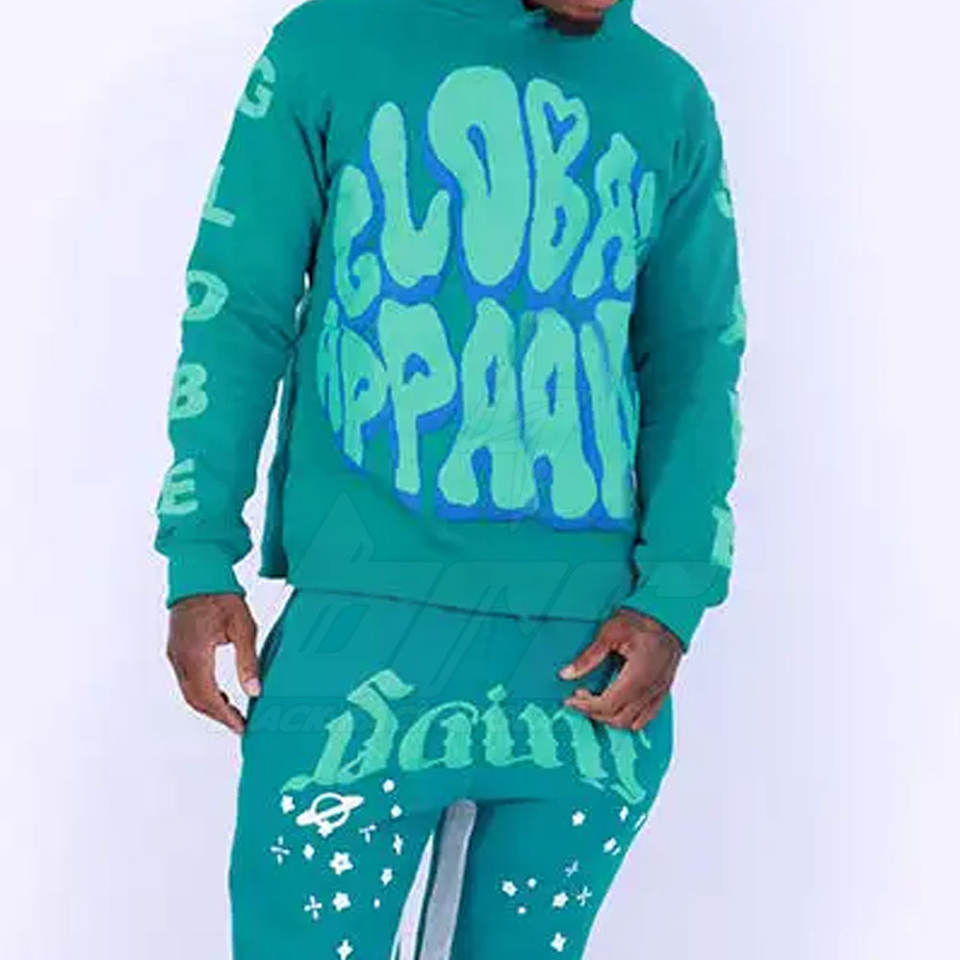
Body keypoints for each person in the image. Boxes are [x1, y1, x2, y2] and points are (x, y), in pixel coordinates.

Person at [155, 0, 745, 956]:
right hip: (355, 648)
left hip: (588, 665)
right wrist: (198, 555)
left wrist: (674, 596)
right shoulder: (328, 46)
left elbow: (694, 358)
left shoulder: (667, 96)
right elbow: (240, 309)